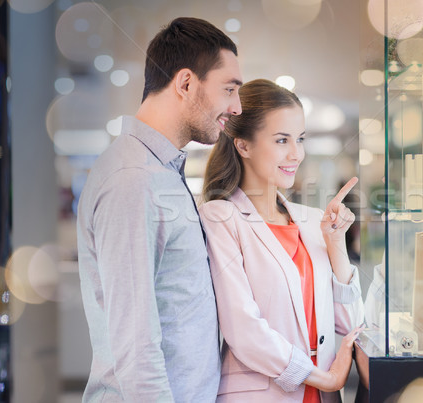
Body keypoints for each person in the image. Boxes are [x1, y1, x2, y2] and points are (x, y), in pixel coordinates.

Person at [76, 17, 242, 402]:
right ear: (185, 83)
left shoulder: (159, 172)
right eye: (229, 89)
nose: (236, 106)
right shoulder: (133, 179)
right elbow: (136, 347)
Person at [199, 79, 365, 402]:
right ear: (243, 145)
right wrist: (324, 379)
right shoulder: (220, 218)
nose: (296, 153)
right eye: (281, 140)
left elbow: (350, 325)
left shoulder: (310, 219)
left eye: (300, 139)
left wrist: (336, 245)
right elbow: (244, 331)